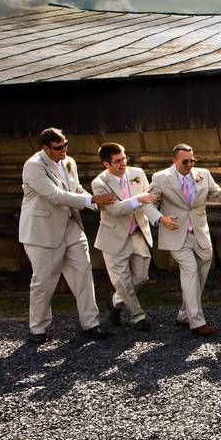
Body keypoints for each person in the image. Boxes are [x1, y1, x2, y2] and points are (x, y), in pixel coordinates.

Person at [20, 127, 115, 344]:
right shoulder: (33, 166)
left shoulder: (69, 161)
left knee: (83, 273)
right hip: (42, 231)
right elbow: (55, 196)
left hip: (72, 226)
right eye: (59, 147)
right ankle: (38, 328)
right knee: (43, 281)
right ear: (46, 148)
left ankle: (90, 324)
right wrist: (92, 201)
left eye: (65, 144)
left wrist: (97, 204)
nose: (64, 149)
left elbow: (76, 188)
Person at [143, 144, 221, 337]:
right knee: (190, 271)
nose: (190, 164)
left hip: (200, 232)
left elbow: (219, 194)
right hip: (176, 233)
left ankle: (184, 314)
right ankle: (197, 322)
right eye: (185, 161)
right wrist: (161, 219)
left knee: (200, 275)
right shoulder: (161, 178)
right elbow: (148, 204)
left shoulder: (203, 174)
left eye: (192, 160)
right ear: (175, 161)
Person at [91, 142, 160, 332]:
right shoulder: (99, 183)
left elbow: (149, 201)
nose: (123, 163)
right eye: (118, 161)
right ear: (106, 164)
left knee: (142, 277)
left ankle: (115, 302)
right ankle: (138, 316)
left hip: (138, 233)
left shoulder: (137, 173)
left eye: (124, 157)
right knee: (123, 281)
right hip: (113, 236)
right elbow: (114, 210)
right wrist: (138, 199)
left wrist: (160, 219)